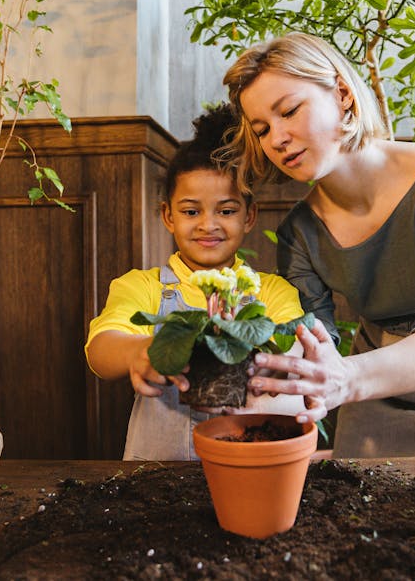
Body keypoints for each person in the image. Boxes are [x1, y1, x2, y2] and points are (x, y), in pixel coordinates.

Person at [218, 32, 415, 457]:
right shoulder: (299, 234)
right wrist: (249, 363)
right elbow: (317, 342)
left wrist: (348, 378)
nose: (276, 139)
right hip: (373, 380)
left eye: (289, 111)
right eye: (261, 129)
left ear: (344, 95)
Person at [84, 104, 305, 461]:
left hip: (248, 460)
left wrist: (272, 358)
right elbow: (101, 349)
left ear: (249, 216)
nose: (208, 224)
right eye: (191, 211)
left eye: (226, 210)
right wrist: (141, 352)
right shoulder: (144, 286)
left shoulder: (271, 290)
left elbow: (293, 344)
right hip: (159, 470)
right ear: (167, 216)